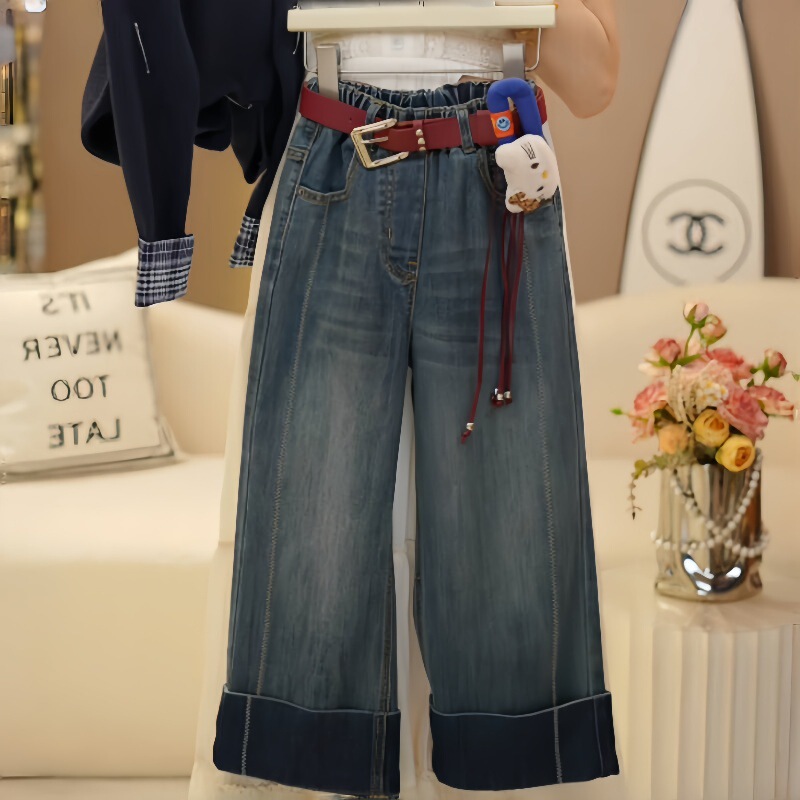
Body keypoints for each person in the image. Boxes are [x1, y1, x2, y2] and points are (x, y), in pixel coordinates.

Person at [190, 4, 622, 799]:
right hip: (335, 151)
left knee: (508, 517)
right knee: (312, 509)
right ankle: (308, 764)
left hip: (496, 165)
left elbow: (595, 82)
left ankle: (512, 763)